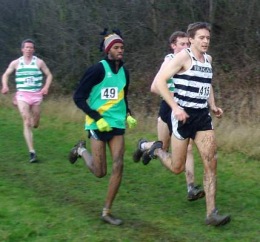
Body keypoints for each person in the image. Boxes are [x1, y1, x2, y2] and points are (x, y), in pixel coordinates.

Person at [133, 22, 231, 226]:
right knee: (177, 167)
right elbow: (159, 82)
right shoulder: (183, 57)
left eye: (208, 38)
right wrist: (175, 108)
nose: (205, 41)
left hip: (202, 117)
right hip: (183, 118)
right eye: (201, 38)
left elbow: (207, 83)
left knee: (211, 163)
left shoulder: (208, 59)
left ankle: (211, 213)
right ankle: (157, 150)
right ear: (192, 39)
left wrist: (212, 105)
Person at [69, 30, 137, 226]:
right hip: (97, 124)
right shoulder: (96, 70)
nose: (120, 50)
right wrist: (97, 118)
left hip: (116, 124)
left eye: (122, 47)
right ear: (108, 50)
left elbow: (122, 97)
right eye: (116, 47)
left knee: (119, 165)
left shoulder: (125, 72)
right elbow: (78, 97)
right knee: (100, 172)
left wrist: (128, 114)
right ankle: (80, 150)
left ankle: (107, 211)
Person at [150, 31, 206, 201]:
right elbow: (154, 87)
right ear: (173, 46)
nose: (185, 47)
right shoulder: (168, 61)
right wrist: (173, 99)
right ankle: (145, 146)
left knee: (187, 147)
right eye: (181, 44)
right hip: (168, 108)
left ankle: (191, 188)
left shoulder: (190, 60)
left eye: (187, 44)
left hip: (184, 109)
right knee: (163, 147)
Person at [1, 39, 53, 163]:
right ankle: (32, 152)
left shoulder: (39, 62)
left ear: (33, 50)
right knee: (26, 120)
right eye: (26, 47)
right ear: (22, 49)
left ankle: (35, 121)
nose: (29, 49)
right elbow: (5, 75)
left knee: (35, 122)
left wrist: (45, 87)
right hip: (22, 95)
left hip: (36, 95)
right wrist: (5, 86)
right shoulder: (16, 63)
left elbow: (49, 75)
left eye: (31, 47)